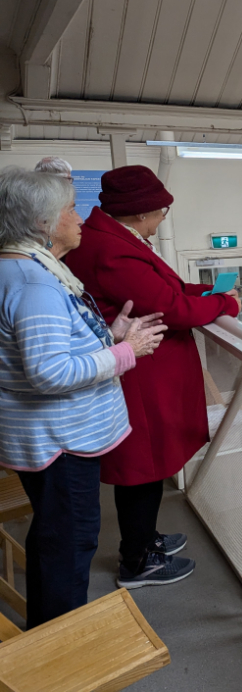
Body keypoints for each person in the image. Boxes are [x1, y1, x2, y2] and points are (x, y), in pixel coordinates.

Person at [0, 167, 165, 627]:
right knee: (68, 546)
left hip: (46, 439)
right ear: (42, 224)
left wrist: (110, 335)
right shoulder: (35, 285)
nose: (79, 218)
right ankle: (59, 652)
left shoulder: (20, 269)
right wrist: (126, 353)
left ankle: (51, 636)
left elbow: (43, 346)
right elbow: (50, 372)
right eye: (70, 209)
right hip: (61, 444)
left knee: (55, 537)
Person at [65, 165, 241, 589]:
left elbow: (167, 289)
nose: (163, 217)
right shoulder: (112, 250)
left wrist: (205, 293)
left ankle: (144, 539)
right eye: (161, 210)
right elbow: (171, 309)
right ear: (141, 214)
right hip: (141, 378)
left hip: (141, 372)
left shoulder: (114, 238)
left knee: (147, 466)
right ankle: (138, 561)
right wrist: (224, 304)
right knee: (142, 468)